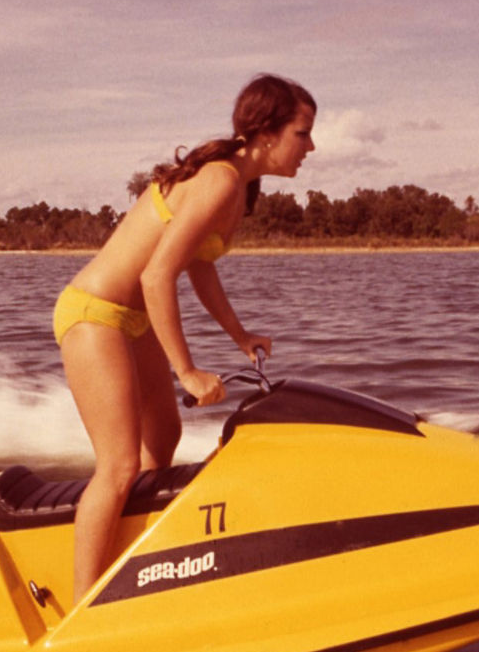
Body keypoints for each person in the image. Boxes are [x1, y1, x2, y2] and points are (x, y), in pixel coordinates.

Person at [54, 73, 317, 602]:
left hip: (129, 321)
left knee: (164, 441)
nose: (310, 146)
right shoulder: (220, 179)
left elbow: (200, 268)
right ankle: (81, 611)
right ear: (266, 134)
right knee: (120, 464)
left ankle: (138, 569)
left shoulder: (238, 190)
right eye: (303, 132)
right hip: (95, 315)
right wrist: (187, 370)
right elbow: (156, 275)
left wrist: (240, 335)